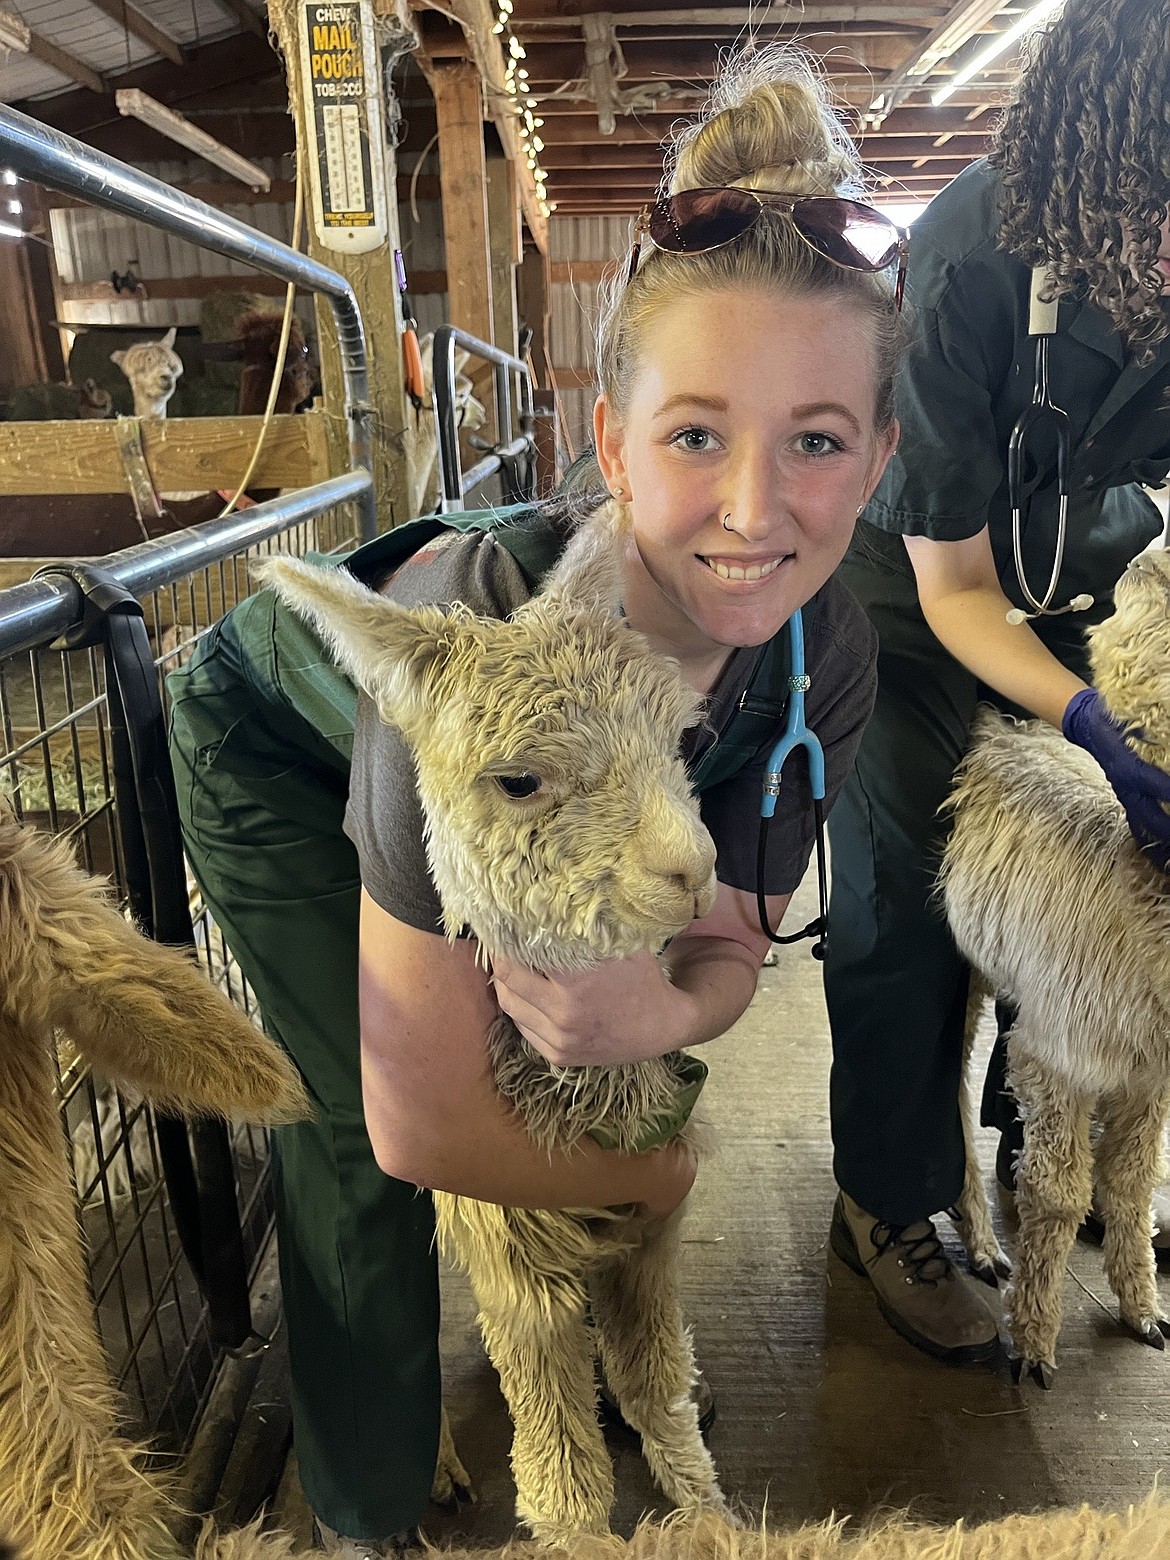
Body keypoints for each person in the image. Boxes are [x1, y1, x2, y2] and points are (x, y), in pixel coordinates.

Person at [168, 43, 902, 1559]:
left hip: (531, 788)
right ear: (611, 449)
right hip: (295, 737)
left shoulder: (819, 657)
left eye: (816, 441)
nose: (757, 512)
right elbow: (425, 1116)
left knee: (583, 1075)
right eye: (696, 433)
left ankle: (625, 1388)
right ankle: (362, 1510)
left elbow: (727, 949)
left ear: (879, 454)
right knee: (365, 1140)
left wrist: (655, 1025)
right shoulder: (485, 630)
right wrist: (664, 1175)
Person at [824, 0, 1170, 1368]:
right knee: (903, 883)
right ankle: (890, 1198)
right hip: (905, 598)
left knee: (1095, 880)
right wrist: (1084, 720)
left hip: (1072, 569)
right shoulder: (972, 254)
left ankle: (1056, 1171)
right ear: (1113, 161)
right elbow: (953, 586)